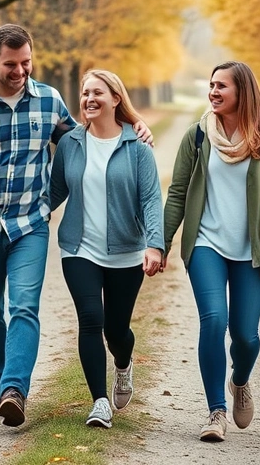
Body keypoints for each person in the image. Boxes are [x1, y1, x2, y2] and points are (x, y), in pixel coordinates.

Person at [0, 24, 153, 427]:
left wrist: (132, 129)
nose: (20, 71)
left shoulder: (49, 101)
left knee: (24, 307)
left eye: (27, 63)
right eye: (11, 64)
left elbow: (87, 139)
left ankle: (14, 390)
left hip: (30, 224)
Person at [162, 61, 260, 442]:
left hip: (252, 251)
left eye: (222, 86)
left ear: (243, 92)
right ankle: (215, 411)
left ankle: (240, 379)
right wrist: (162, 243)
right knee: (214, 321)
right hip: (206, 245)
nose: (213, 92)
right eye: (211, 85)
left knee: (246, 337)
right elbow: (178, 193)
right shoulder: (198, 137)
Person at [49, 69, 164, 429]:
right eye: (85, 93)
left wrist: (155, 244)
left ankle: (123, 365)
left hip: (127, 251)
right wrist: (15, 218)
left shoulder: (137, 147)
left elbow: (151, 200)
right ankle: (99, 401)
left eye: (97, 92)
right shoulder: (70, 143)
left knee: (116, 329)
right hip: (78, 248)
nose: (89, 99)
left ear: (116, 98)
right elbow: (53, 193)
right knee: (90, 320)